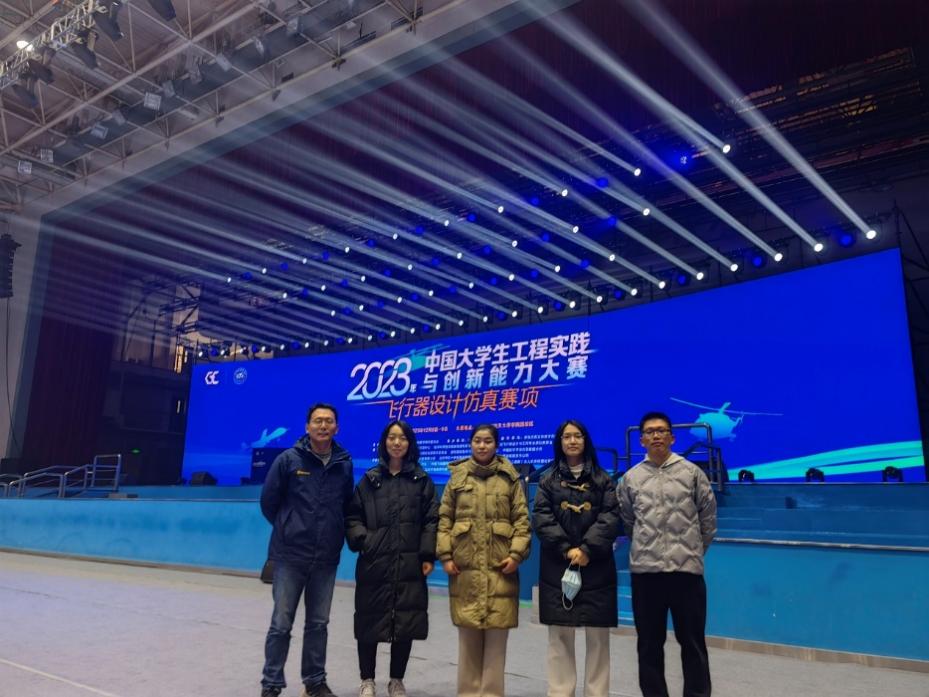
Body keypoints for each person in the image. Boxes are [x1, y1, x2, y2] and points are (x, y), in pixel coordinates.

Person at [617, 412, 717, 697]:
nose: (656, 436)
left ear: (672, 437)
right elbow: (628, 520)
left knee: (693, 643)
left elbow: (708, 519)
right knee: (649, 644)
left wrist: (693, 551)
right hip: (646, 574)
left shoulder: (692, 473)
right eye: (650, 431)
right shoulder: (631, 478)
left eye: (661, 431)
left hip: (686, 573)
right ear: (642, 440)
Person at [259, 403, 354, 697]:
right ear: (307, 427)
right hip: (290, 556)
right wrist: (290, 527)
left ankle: (314, 682)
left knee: (318, 624)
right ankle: (271, 684)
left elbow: (346, 505)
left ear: (336, 427)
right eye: (317, 421)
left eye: (329, 421)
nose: (323, 426)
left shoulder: (344, 464)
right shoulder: (288, 460)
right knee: (281, 624)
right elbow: (269, 503)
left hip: (326, 558)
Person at [436, 423, 531, 697]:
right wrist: (445, 555)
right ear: (470, 443)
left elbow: (522, 521)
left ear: (496, 445)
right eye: (477, 440)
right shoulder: (457, 478)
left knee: (496, 646)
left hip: (500, 570)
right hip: (465, 571)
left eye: (488, 441)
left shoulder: (510, 478)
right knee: (468, 643)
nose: (482, 445)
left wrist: (516, 554)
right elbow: (444, 519)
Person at [345, 420, 439, 697]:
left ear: (410, 444)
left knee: (405, 622)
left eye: (403, 438)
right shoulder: (370, 480)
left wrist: (427, 554)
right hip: (375, 562)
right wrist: (365, 541)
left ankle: (396, 680)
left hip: (410, 563)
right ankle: (367, 679)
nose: (397, 443)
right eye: (392, 437)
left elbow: (432, 519)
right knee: (369, 620)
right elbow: (352, 517)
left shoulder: (421, 480)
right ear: (384, 443)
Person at [532, 420, 621, 697]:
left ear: (585, 441)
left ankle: (597, 693)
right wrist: (566, 548)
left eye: (577, 436)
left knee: (598, 639)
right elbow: (542, 518)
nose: (572, 441)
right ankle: (560, 692)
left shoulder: (603, 479)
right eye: (567, 436)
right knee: (559, 637)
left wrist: (587, 549)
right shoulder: (547, 481)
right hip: (558, 565)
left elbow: (610, 517)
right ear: (559, 442)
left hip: (597, 566)